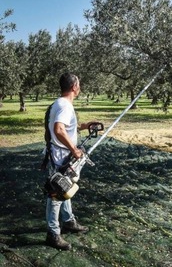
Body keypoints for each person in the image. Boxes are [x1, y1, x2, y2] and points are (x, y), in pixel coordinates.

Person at [45, 73, 91, 250]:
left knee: (66, 187)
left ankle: (68, 221)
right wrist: (74, 150)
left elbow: (65, 126)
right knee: (57, 193)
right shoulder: (65, 106)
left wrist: (84, 126)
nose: (80, 87)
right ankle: (53, 233)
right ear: (74, 87)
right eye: (79, 84)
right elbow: (59, 129)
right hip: (61, 157)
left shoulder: (59, 103)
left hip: (58, 154)